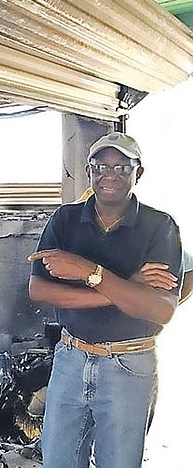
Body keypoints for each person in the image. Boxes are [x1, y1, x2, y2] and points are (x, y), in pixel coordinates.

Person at [27, 132, 183, 468]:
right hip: (70, 358)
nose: (109, 173)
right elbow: (38, 290)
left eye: (121, 167)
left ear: (137, 173)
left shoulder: (160, 227)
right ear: (89, 171)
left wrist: (87, 270)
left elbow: (161, 309)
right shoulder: (65, 219)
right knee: (58, 461)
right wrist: (124, 288)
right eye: (100, 165)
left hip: (129, 365)